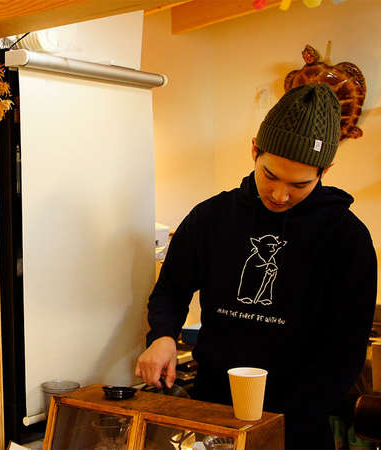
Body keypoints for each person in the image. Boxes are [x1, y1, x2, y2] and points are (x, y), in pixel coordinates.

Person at [135, 83, 377, 449]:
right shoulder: (211, 218)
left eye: (299, 185)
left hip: (298, 425)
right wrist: (163, 336)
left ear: (325, 170)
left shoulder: (346, 237)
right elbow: (171, 289)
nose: (280, 195)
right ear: (254, 150)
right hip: (213, 413)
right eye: (270, 175)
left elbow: (346, 349)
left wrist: (292, 419)